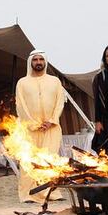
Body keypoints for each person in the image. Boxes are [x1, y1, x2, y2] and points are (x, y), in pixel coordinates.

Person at [14, 50, 65, 203]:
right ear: (31, 62)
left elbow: (59, 102)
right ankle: (27, 194)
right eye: (35, 59)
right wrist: (34, 124)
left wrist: (52, 120)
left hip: (52, 127)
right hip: (30, 129)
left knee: (50, 160)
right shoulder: (22, 82)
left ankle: (52, 193)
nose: (38, 62)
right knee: (28, 161)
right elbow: (20, 105)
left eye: (41, 59)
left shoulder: (55, 81)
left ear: (45, 62)